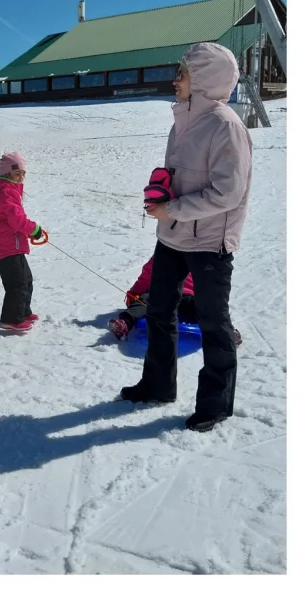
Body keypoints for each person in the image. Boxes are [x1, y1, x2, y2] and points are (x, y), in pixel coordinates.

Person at [125, 43, 252, 432]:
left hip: (210, 242)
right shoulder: (180, 122)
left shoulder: (227, 126)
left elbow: (229, 192)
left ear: (202, 81)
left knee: (215, 324)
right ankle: (157, 386)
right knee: (160, 312)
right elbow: (181, 177)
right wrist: (162, 190)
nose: (174, 81)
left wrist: (174, 209)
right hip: (173, 237)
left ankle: (214, 405)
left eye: (182, 74)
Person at [0, 152, 42, 333]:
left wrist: (27, 232)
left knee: (26, 280)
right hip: (7, 246)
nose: (21, 177)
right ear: (6, 174)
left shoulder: (8, 189)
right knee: (17, 284)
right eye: (17, 173)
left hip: (12, 244)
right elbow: (17, 219)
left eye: (23, 173)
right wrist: (34, 229)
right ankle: (11, 319)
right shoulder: (7, 191)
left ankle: (23, 311)